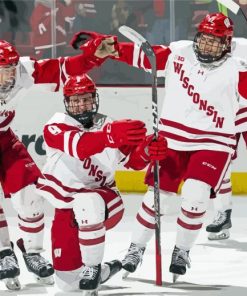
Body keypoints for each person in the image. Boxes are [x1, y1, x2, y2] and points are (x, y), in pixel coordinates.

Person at [69, 12, 247, 282]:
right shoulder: (179, 53)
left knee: (196, 194)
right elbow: (144, 56)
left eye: (216, 42)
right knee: (158, 198)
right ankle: (135, 249)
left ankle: (182, 251)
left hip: (214, 142)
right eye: (205, 39)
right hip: (172, 139)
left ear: (227, 44)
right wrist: (112, 49)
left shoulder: (238, 67)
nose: (208, 46)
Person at [35, 73, 167, 293]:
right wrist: (110, 135)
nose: (81, 105)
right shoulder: (55, 125)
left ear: (94, 99)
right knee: (68, 285)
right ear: (67, 103)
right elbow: (80, 147)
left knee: (87, 201)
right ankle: (107, 269)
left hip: (106, 201)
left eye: (86, 99)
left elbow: (133, 161)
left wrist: (147, 150)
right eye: (75, 101)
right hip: (66, 208)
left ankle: (93, 267)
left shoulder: (108, 125)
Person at [0, 38, 109, 290]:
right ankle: (4, 252)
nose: (7, 77)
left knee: (31, 195)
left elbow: (60, 69)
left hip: (5, 138)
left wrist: (92, 58)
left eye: (9, 70)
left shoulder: (23, 72)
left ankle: (32, 251)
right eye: (1, 71)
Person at [206, 37, 247, 240]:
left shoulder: (244, 46)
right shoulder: (204, 55)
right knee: (219, 164)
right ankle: (223, 216)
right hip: (226, 115)